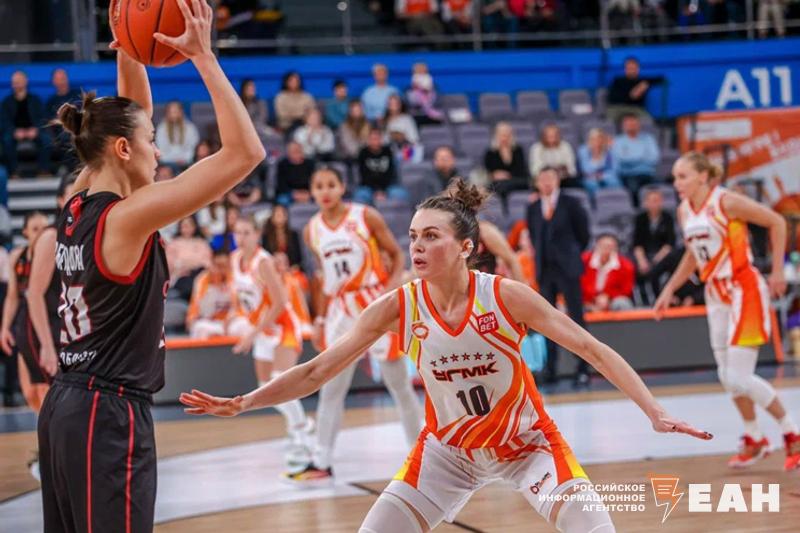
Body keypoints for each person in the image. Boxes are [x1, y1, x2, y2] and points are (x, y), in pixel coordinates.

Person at [180, 179, 712, 533]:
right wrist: (245, 401)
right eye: (413, 236)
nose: (416, 246)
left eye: (430, 236)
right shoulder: (398, 306)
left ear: (465, 247)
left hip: (527, 445)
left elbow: (591, 348)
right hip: (447, 455)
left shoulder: (505, 296)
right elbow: (318, 369)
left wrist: (654, 410)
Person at [38, 4, 266, 531]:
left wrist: (129, 45)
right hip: (106, 413)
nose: (159, 153)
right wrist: (204, 56)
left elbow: (131, 112)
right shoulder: (128, 217)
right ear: (124, 149)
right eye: (153, 140)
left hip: (68, 406)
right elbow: (245, 153)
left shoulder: (78, 200)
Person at [655, 152, 800, 472]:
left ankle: (792, 431)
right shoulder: (684, 210)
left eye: (682, 176)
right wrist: (669, 289)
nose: (676, 183)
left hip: (743, 288)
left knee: (738, 376)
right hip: (715, 292)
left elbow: (777, 222)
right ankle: (754, 437)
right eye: (675, 177)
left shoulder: (726, 202)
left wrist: (777, 271)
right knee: (727, 376)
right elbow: (692, 255)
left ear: (703, 177)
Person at [285, 167, 422, 482]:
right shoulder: (312, 229)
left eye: (331, 184)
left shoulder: (365, 216)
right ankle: (322, 460)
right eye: (319, 186)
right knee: (331, 386)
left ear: (342, 186)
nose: (325, 191)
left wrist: (390, 293)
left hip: (374, 301)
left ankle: (420, 456)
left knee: (398, 384)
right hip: (339, 310)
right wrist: (320, 318)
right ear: (312, 191)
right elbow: (322, 277)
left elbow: (396, 255)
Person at [226, 216, 313, 467]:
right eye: (238, 233)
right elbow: (243, 296)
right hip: (262, 328)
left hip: (283, 327)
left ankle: (301, 436)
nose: (241, 238)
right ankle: (301, 424)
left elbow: (280, 302)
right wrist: (239, 317)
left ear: (257, 235)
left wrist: (251, 334)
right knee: (264, 387)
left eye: (246, 233)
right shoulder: (234, 259)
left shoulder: (262, 262)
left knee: (279, 381)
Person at [526, 167, 591, 386]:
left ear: (557, 181)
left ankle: (583, 368)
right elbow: (534, 237)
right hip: (545, 270)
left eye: (550, 178)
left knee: (576, 318)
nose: (546, 182)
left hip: (568, 269)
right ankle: (550, 369)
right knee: (546, 320)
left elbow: (583, 235)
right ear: (537, 182)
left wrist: (569, 254)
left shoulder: (571, 203)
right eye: (542, 179)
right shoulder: (533, 207)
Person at [0, 212, 55, 415]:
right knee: (30, 392)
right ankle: (44, 425)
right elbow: (12, 297)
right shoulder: (18, 257)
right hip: (25, 323)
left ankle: (50, 431)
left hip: (49, 322)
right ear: (25, 232)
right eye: (35, 229)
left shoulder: (53, 255)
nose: (40, 233)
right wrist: (5, 327)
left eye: (44, 228)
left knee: (46, 387)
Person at [1, 71, 49, 177]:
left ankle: (43, 170)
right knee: (6, 140)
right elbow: (4, 121)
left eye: (19, 81)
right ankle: (14, 172)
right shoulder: (6, 102)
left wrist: (36, 129)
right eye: (14, 82)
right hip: (15, 132)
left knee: (46, 139)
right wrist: (14, 131)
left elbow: (42, 118)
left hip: (33, 130)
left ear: (25, 82)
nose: (16, 84)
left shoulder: (35, 100)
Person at [632, 188, 676, 304]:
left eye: (657, 200)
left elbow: (669, 244)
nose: (654, 204)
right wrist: (642, 261)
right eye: (651, 201)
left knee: (658, 269)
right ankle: (641, 301)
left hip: (662, 255)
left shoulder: (668, 217)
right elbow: (637, 244)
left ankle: (660, 299)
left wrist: (656, 260)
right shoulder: (640, 219)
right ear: (645, 203)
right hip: (645, 254)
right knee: (636, 269)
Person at [611, 114, 659, 205]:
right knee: (633, 188)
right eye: (628, 124)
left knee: (660, 189)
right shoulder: (618, 141)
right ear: (623, 126)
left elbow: (654, 158)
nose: (631, 126)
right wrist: (642, 158)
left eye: (633, 124)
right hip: (628, 175)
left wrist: (631, 160)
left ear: (638, 125)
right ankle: (637, 211)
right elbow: (621, 160)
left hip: (647, 174)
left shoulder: (649, 139)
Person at [186, 246, 232, 339]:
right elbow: (200, 311)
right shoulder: (202, 280)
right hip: (208, 322)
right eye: (218, 266)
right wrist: (216, 284)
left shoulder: (235, 278)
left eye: (225, 266)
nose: (222, 270)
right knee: (200, 328)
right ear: (212, 264)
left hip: (229, 322)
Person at [580, 234, 635, 312]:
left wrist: (608, 297)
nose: (606, 249)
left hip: (611, 301)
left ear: (616, 248)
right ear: (596, 246)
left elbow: (626, 290)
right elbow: (577, 284)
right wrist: (593, 300)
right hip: (587, 301)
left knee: (623, 303)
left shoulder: (626, 265)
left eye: (610, 247)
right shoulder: (583, 261)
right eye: (603, 246)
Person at [166, 215, 212, 301]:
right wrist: (184, 265)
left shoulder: (202, 243)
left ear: (194, 226)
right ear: (180, 227)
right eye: (184, 226)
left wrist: (187, 263)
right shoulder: (173, 244)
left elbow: (207, 263)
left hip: (198, 275)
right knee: (187, 285)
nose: (187, 228)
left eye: (189, 225)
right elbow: (170, 264)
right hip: (180, 276)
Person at [356, 128, 408, 205]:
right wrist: (376, 191)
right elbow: (363, 175)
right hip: (368, 187)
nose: (375, 142)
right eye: (372, 139)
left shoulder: (388, 152)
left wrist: (382, 191)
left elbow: (391, 173)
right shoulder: (363, 153)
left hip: (388, 186)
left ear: (381, 139)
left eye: (377, 139)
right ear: (368, 140)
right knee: (360, 195)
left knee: (401, 194)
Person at [606, 56, 662, 125]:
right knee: (608, 121)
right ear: (625, 69)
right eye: (629, 68)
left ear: (638, 69)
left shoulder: (642, 81)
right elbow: (612, 98)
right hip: (618, 108)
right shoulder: (618, 80)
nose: (631, 70)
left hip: (636, 108)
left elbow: (660, 78)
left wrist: (644, 85)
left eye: (633, 68)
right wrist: (632, 95)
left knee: (647, 121)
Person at [483, 121, 529, 199]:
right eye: (502, 135)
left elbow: (521, 169)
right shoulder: (490, 153)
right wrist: (494, 175)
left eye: (507, 135)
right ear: (496, 136)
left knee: (521, 183)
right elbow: (488, 171)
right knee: (499, 186)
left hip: (515, 181)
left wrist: (507, 175)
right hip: (498, 183)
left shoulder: (518, 150)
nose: (505, 138)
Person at [577, 128, 622, 198]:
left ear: (603, 140)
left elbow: (615, 170)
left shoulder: (610, 150)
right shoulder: (583, 151)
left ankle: (616, 201)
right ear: (589, 141)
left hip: (607, 176)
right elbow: (586, 170)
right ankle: (598, 202)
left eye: (599, 138)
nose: (596, 141)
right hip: (589, 178)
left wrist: (602, 176)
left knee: (614, 182)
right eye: (593, 139)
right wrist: (595, 154)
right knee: (592, 184)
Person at [155, 100, 200, 169]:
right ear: (167, 113)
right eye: (171, 112)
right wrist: (173, 160)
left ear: (181, 112)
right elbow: (160, 150)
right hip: (166, 163)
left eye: (176, 112)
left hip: (186, 163)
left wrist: (184, 159)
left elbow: (193, 148)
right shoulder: (161, 129)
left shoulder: (190, 128)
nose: (173, 115)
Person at [261, 204, 303, 270]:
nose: (280, 217)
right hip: (272, 269)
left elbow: (298, 257)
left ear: (286, 217)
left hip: (291, 269)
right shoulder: (266, 236)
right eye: (277, 215)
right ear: (272, 218)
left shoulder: (294, 234)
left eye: (282, 214)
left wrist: (291, 268)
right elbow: (265, 256)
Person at [384, 94, 422, 163]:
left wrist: (402, 136)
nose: (393, 106)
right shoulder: (383, 120)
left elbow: (414, 139)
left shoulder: (407, 119)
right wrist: (391, 136)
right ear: (387, 105)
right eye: (391, 104)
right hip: (389, 150)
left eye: (396, 104)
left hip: (406, 149)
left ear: (400, 105)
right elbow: (383, 141)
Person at [275, 140, 315, 205]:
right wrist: (294, 194)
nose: (296, 153)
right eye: (293, 151)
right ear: (288, 153)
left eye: (298, 150)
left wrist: (308, 193)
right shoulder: (282, 164)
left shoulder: (310, 163)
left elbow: (314, 181)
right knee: (282, 201)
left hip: (307, 192)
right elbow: (281, 184)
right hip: (289, 193)